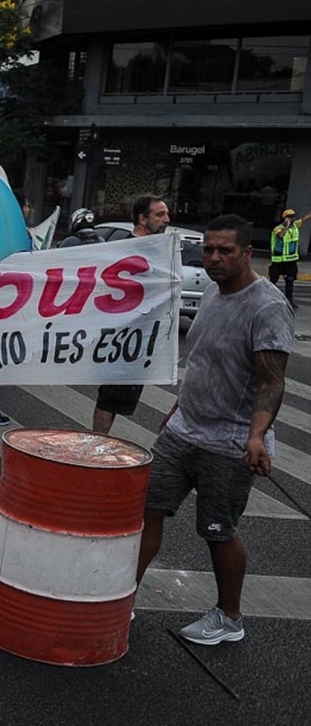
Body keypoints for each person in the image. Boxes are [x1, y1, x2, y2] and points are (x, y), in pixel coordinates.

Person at [136, 214, 293, 646]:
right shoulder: (210, 293)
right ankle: (120, 595)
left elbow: (271, 380)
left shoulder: (268, 305)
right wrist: (177, 406)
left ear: (247, 252)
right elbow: (204, 362)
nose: (214, 258)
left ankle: (229, 617)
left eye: (225, 250)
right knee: (144, 510)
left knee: (218, 531)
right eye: (208, 249)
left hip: (230, 441)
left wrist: (257, 436)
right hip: (185, 430)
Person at [92, 194, 168, 433]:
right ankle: (96, 447)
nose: (167, 219)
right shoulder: (128, 250)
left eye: (166, 213)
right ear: (143, 219)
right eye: (160, 214)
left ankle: (99, 444)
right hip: (121, 337)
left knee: (119, 398)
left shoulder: (156, 250)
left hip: (140, 338)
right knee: (110, 398)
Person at [269, 206, 311, 307]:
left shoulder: (295, 226)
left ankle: (289, 301)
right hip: (278, 260)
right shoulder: (278, 229)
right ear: (285, 218)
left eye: (293, 217)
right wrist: (286, 225)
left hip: (291, 260)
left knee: (290, 281)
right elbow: (281, 235)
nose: (293, 218)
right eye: (290, 217)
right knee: (273, 281)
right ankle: (267, 298)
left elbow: (305, 219)